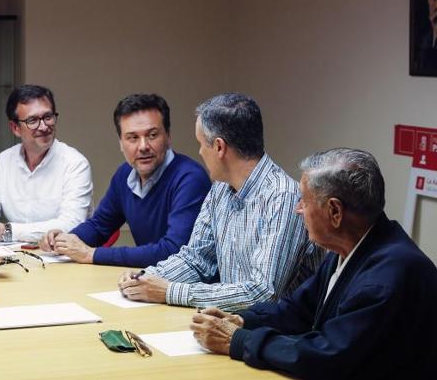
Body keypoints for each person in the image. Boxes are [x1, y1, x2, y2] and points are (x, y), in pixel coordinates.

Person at [191, 148, 437, 380]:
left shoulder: (387, 277)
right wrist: (243, 321)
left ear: (334, 212)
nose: (298, 209)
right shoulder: (350, 247)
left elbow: (327, 355)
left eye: (305, 201)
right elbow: (298, 310)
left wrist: (238, 340)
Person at [118, 93, 322, 310]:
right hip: (230, 327)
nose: (199, 152)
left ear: (219, 147)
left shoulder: (283, 197)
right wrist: (144, 278)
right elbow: (196, 259)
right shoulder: (220, 189)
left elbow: (262, 293)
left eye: (200, 144)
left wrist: (168, 291)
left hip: (277, 336)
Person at [39, 94, 211, 267]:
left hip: (185, 287)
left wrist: (92, 254)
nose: (143, 146)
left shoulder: (189, 178)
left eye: (152, 135)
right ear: (121, 142)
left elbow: (173, 251)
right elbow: (99, 226)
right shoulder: (125, 174)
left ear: (168, 137)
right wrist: (65, 240)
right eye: (133, 138)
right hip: (149, 280)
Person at [0, 85, 93, 242]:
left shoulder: (75, 163)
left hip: (62, 257)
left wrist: (7, 231)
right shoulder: (5, 160)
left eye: (48, 117)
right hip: (16, 256)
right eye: (33, 120)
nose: (43, 126)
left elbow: (72, 224)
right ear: (15, 128)